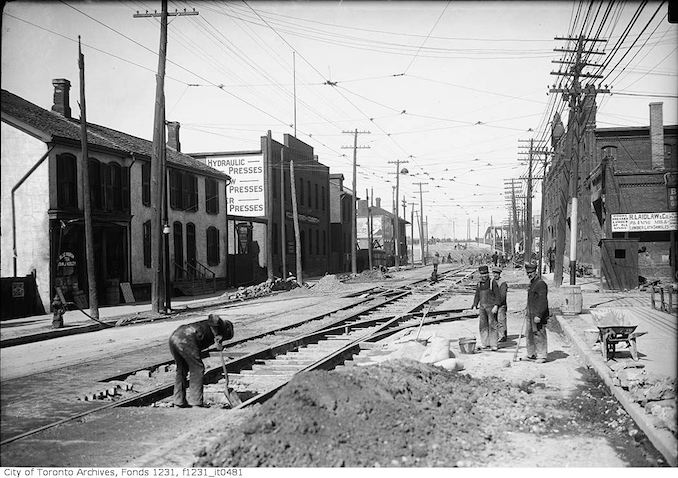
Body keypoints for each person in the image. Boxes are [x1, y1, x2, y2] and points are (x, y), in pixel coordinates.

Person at [169, 314, 234, 408]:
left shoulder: (211, 327)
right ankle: (196, 402)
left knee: (181, 369)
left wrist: (218, 341)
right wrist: (216, 334)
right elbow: (213, 317)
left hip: (175, 336)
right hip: (186, 338)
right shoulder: (222, 326)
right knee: (197, 369)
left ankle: (178, 401)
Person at [524, 262, 549, 363]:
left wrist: (539, 315)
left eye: (531, 272)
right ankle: (531, 354)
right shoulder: (532, 283)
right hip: (530, 313)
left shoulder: (540, 283)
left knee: (539, 334)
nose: (529, 274)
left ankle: (542, 355)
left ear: (536, 272)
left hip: (538, 314)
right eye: (528, 273)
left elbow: (543, 301)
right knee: (529, 334)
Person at [472, 265, 500, 351]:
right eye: (482, 274)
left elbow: (498, 295)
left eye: (485, 274)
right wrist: (475, 304)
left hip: (491, 307)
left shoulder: (493, 283)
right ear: (480, 274)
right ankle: (485, 343)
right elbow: (477, 295)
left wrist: (496, 305)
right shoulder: (479, 284)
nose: (484, 276)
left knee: (492, 325)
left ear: (488, 274)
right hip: (482, 308)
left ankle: (494, 344)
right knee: (483, 325)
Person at [492, 266, 508, 342]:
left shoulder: (503, 282)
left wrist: (497, 305)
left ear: (499, 274)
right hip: (494, 304)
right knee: (495, 320)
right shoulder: (493, 281)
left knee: (501, 320)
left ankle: (503, 336)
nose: (495, 275)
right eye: (494, 273)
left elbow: (502, 296)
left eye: (496, 273)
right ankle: (498, 335)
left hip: (501, 305)